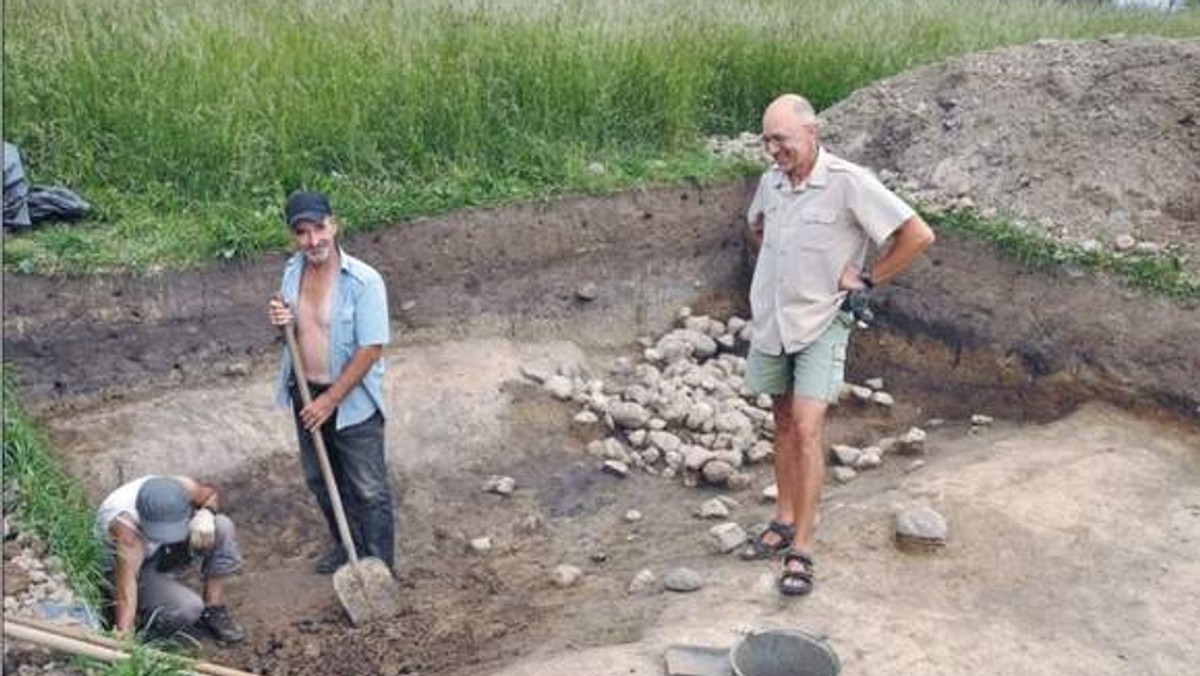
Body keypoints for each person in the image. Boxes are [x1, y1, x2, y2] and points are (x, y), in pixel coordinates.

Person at [739, 94, 935, 596]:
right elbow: (757, 226)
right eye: (766, 140)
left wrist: (868, 279)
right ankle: (782, 520)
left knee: (806, 429)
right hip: (775, 320)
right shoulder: (772, 183)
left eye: (780, 139)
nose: (772, 149)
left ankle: (801, 549)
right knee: (781, 421)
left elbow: (917, 234)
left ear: (813, 131)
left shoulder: (849, 182)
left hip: (822, 321)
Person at [268, 190, 396, 575]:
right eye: (302, 233)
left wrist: (331, 401)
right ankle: (348, 544)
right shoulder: (293, 271)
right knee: (321, 479)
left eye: (319, 228)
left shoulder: (363, 281)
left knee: (368, 488)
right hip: (305, 392)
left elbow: (371, 348)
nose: (313, 240)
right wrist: (281, 321)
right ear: (294, 237)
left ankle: (378, 565)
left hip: (351, 398)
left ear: (334, 224)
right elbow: (296, 333)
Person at [95, 475, 246, 643]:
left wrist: (206, 513)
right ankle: (144, 621)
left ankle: (213, 609)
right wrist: (124, 636)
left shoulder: (182, 488)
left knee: (221, 526)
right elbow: (126, 586)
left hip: (159, 551)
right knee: (187, 609)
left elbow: (210, 496)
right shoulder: (125, 530)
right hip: (127, 569)